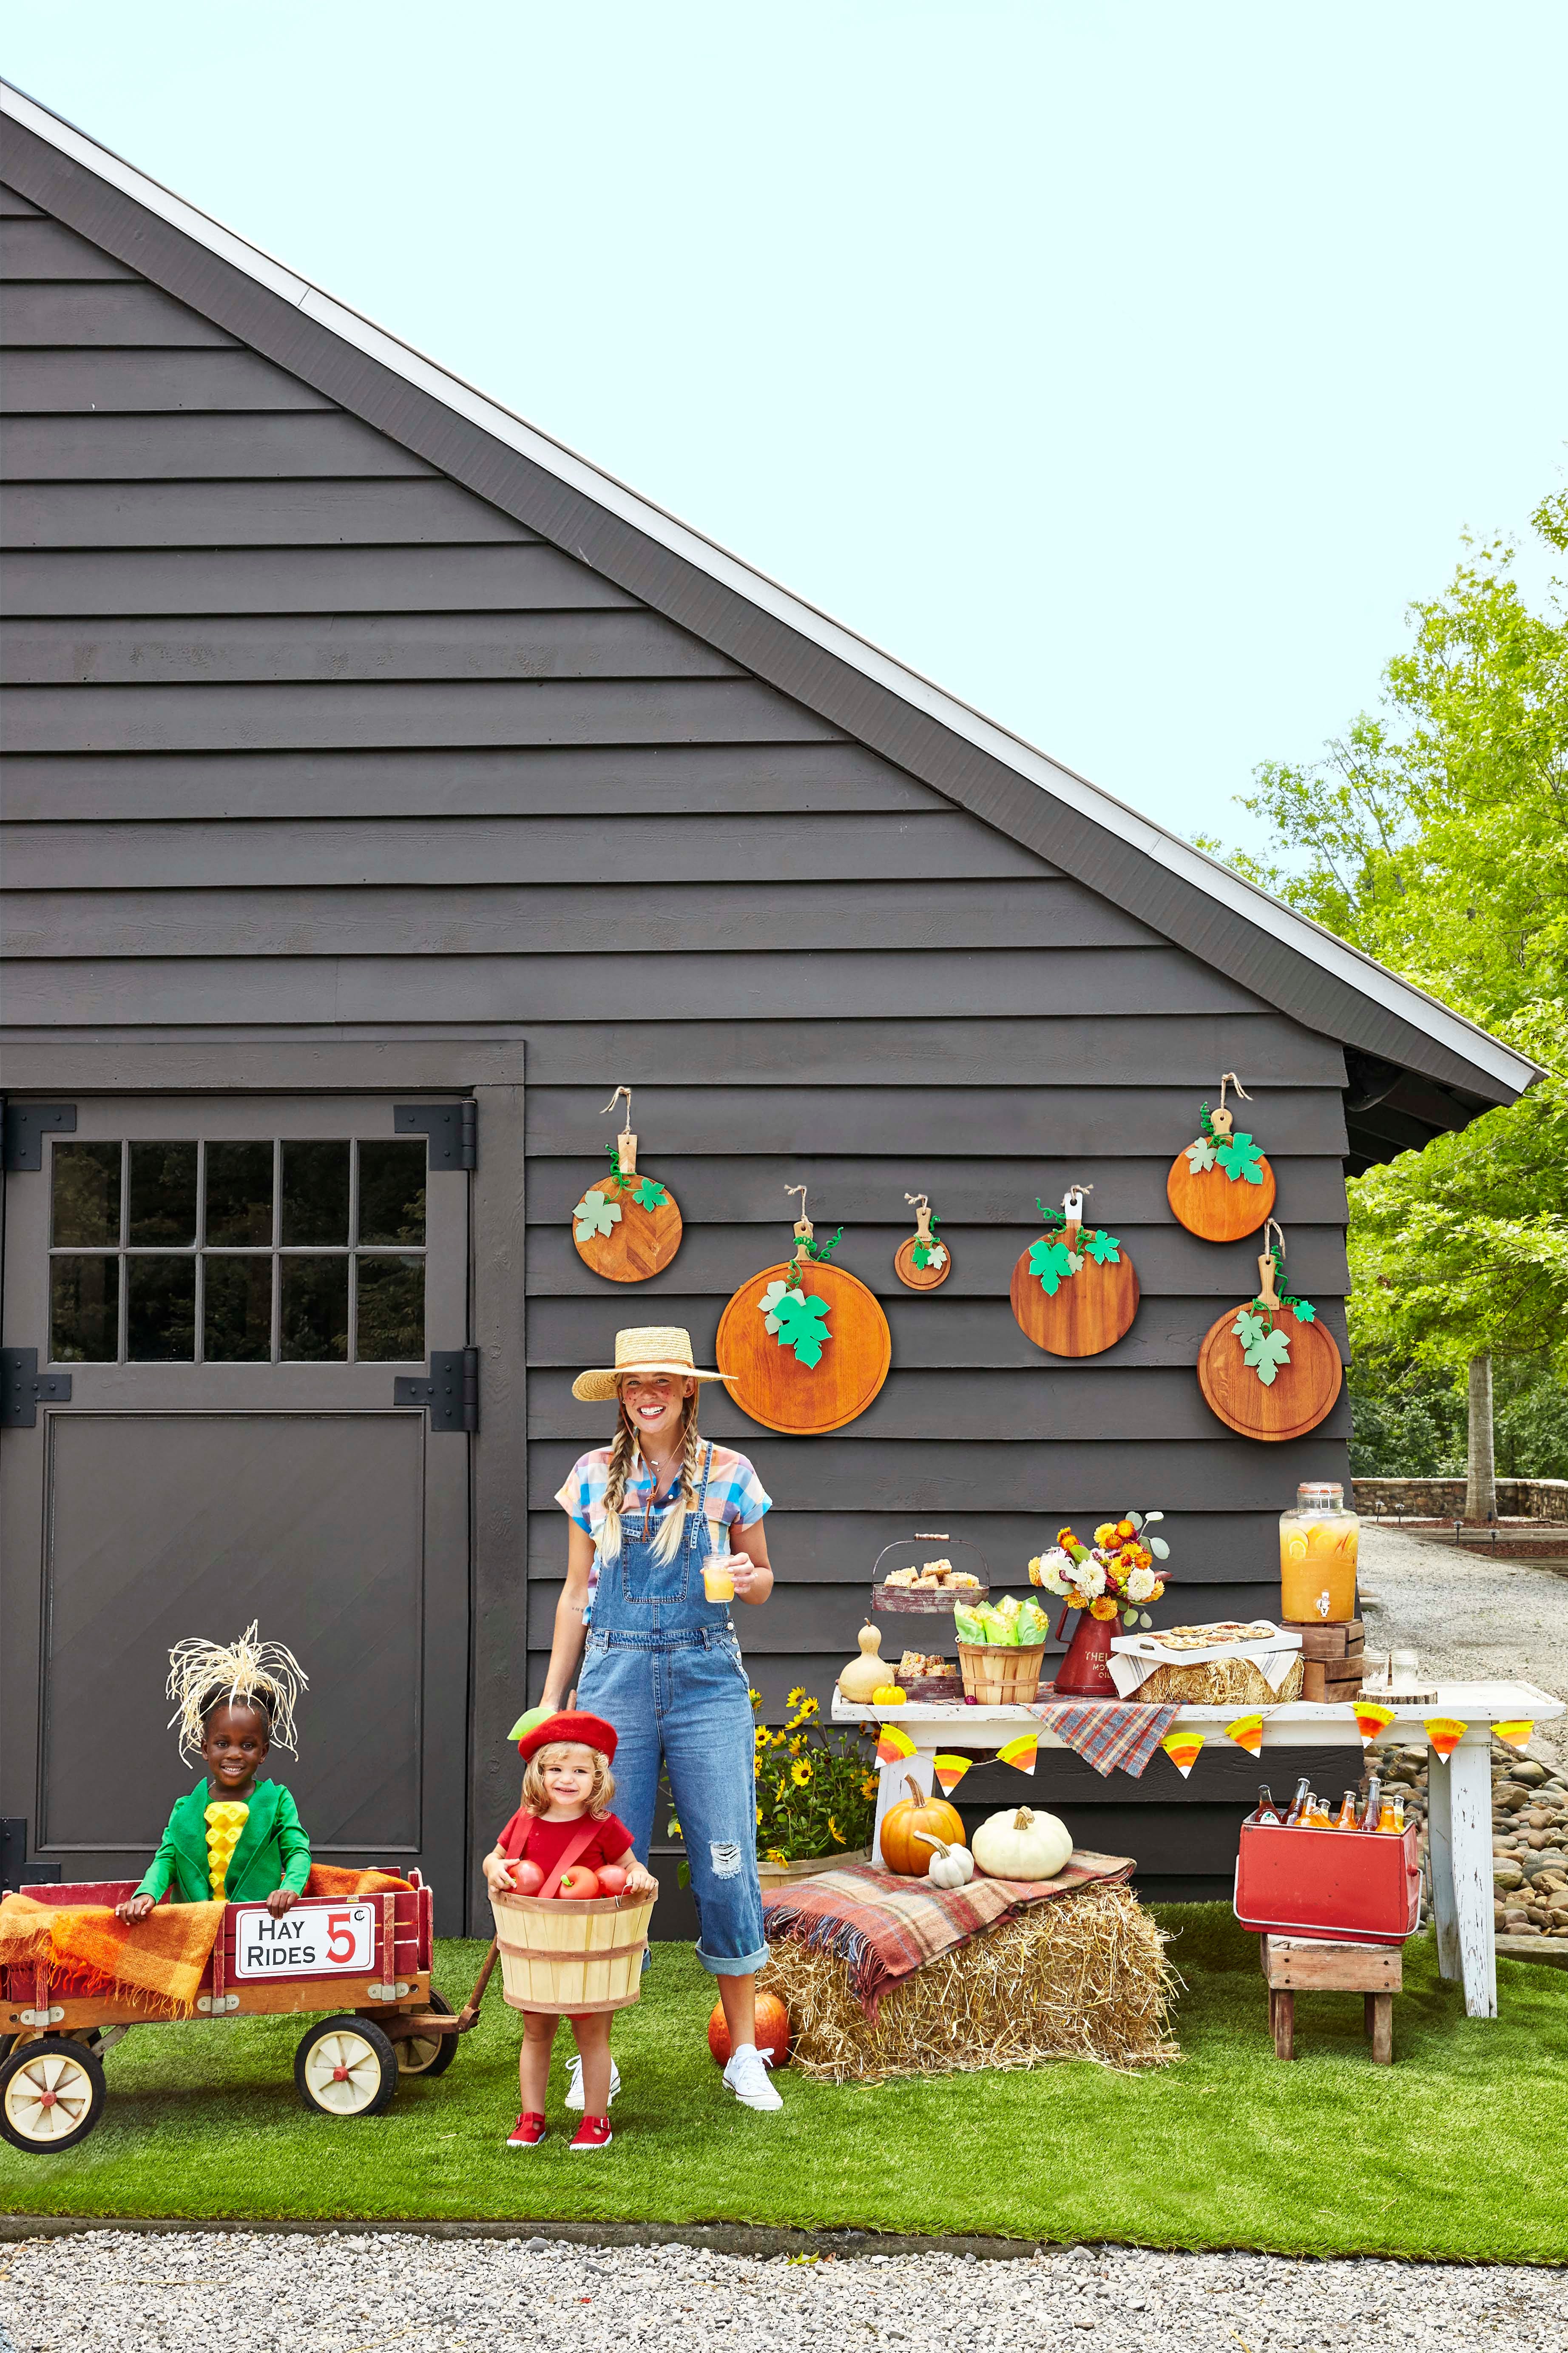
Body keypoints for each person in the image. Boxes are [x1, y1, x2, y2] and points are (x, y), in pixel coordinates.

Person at [540, 1325, 783, 2113]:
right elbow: (577, 1593)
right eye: (632, 1382)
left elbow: (763, 1583)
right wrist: (552, 1701)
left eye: (661, 1381)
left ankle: (745, 2052)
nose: (646, 1394)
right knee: (600, 1870)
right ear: (620, 1393)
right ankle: (594, 2060)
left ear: (687, 1390)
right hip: (610, 1677)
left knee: (724, 1860)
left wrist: (746, 1577)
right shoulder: (590, 1477)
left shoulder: (731, 1474)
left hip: (706, 1674)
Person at [481, 1709, 656, 2151]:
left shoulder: (604, 1827)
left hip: (588, 1952)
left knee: (592, 2037)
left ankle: (596, 2120)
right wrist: (496, 1869)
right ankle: (531, 2116)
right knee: (536, 2033)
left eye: (580, 1770)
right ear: (537, 1774)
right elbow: (493, 1858)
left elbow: (630, 1868)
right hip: (538, 1948)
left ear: (597, 1779)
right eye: (555, 1768)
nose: (566, 1778)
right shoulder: (523, 1821)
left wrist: (639, 1878)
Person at [115, 1622, 311, 1923]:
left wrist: (289, 1888)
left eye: (248, 1745)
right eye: (222, 1743)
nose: (234, 1753)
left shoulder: (277, 1800)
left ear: (264, 1752)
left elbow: (297, 1851)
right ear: (205, 1749)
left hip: (256, 1929)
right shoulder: (186, 1808)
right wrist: (147, 1893)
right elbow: (166, 1860)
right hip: (195, 1930)